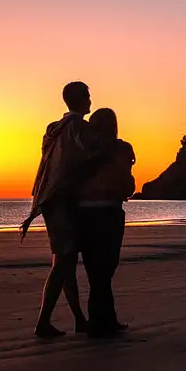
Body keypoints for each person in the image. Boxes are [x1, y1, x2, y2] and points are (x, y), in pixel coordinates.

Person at [21, 81, 102, 338]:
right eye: (87, 96)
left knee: (64, 260)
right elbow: (94, 150)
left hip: (49, 198)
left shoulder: (54, 129)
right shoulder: (76, 126)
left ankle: (78, 318)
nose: (90, 100)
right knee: (64, 260)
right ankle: (43, 322)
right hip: (62, 199)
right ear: (78, 99)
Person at [75, 107, 135, 338]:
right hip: (109, 212)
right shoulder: (121, 149)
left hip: (84, 214)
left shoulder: (83, 150)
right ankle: (103, 321)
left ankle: (101, 319)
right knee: (106, 267)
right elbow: (127, 184)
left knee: (95, 270)